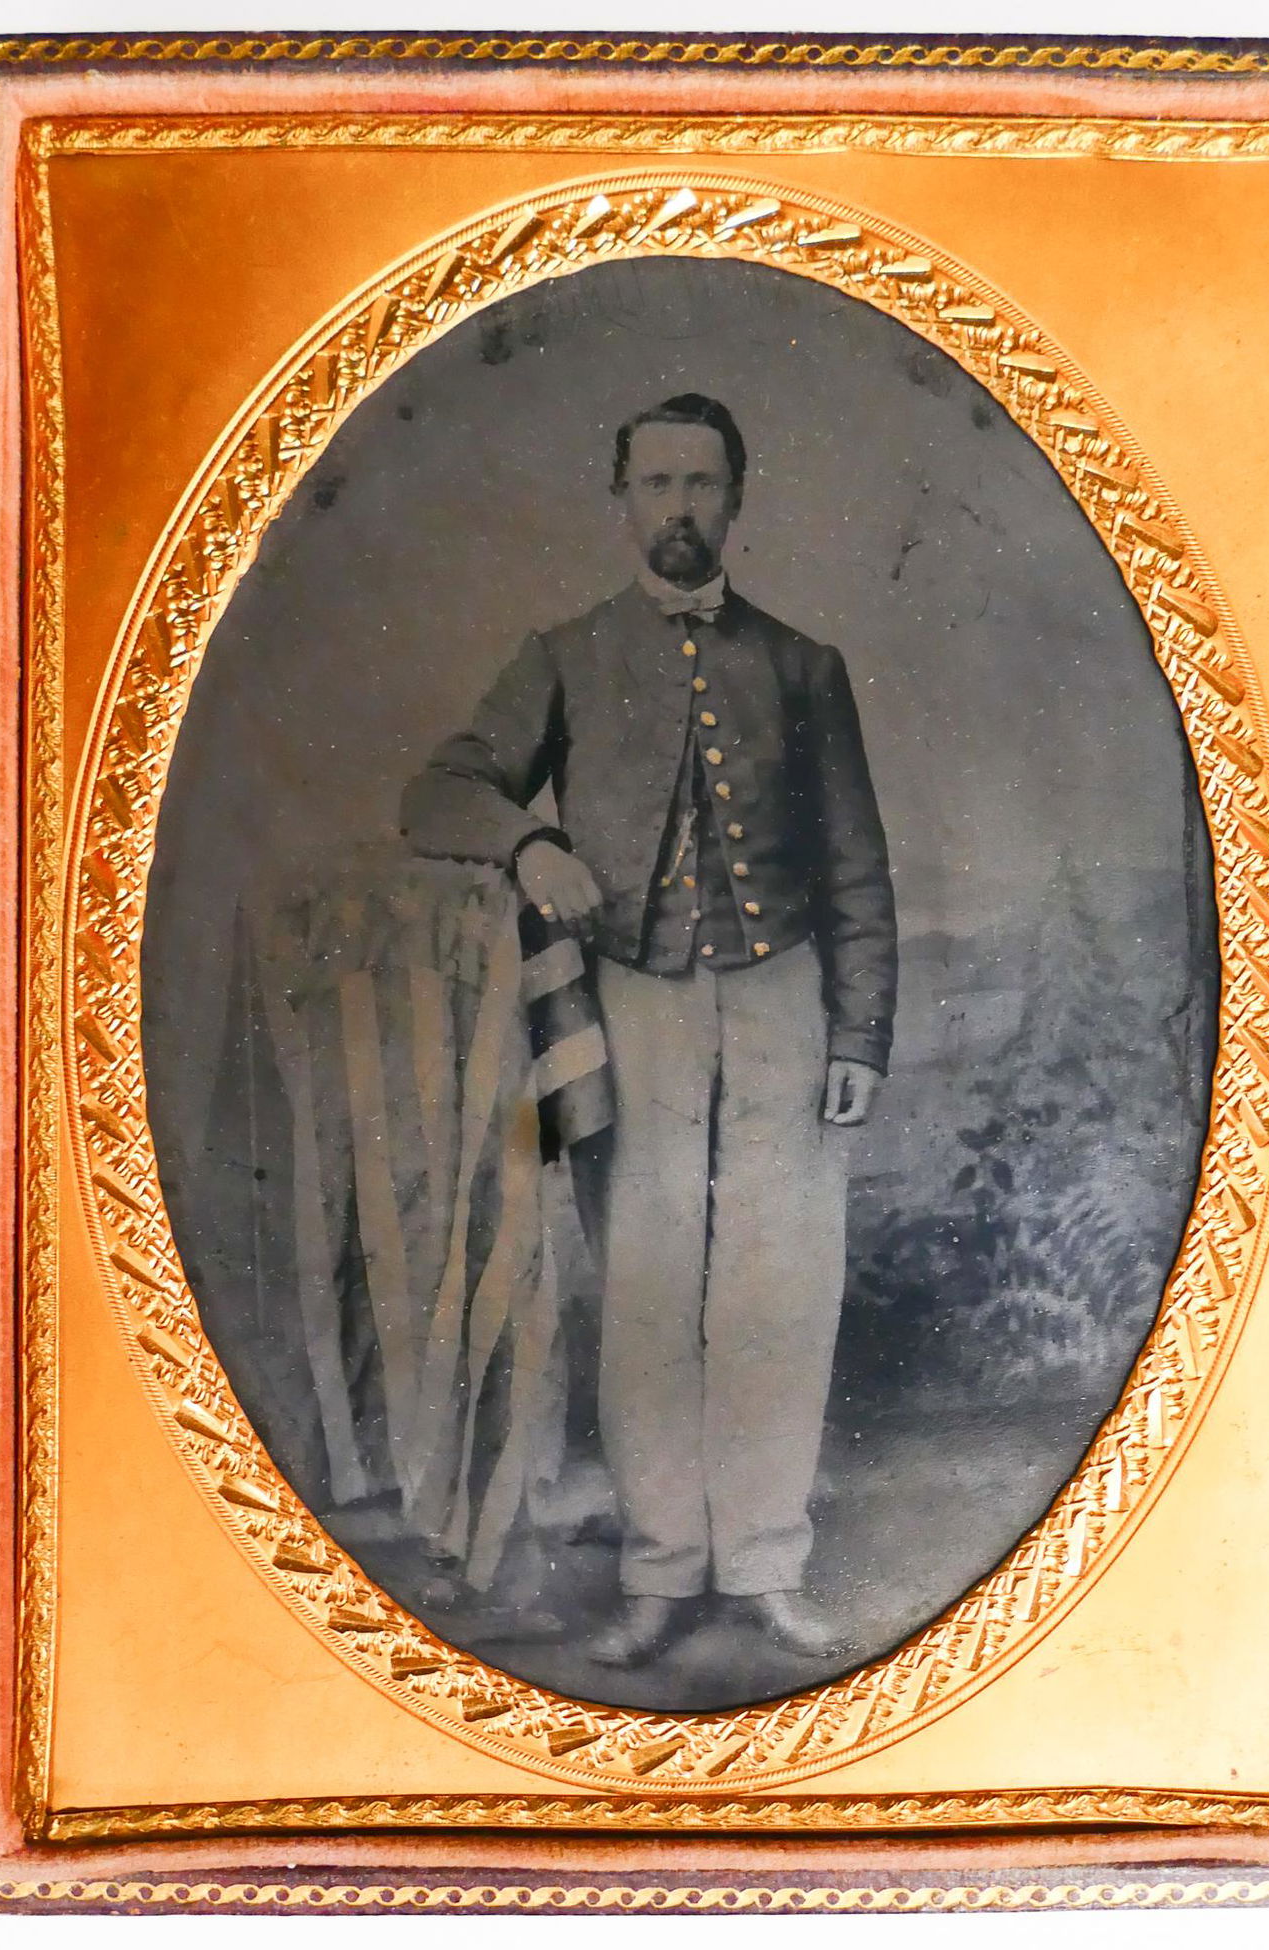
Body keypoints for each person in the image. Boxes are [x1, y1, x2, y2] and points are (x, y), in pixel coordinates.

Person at [401, 394, 898, 1667]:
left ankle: (768, 1567)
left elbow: (856, 872)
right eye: (658, 482)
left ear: (738, 501)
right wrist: (531, 838)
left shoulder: (803, 665)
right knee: (646, 1287)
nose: (681, 507)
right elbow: (439, 788)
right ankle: (663, 1570)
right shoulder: (564, 654)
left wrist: (858, 1038)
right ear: (620, 498)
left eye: (704, 484)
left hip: (785, 999)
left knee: (778, 1284)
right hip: (633, 1003)